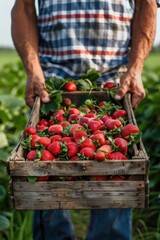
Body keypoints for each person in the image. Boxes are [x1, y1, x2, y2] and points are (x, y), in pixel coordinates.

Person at [11, 1, 158, 240]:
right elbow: (24, 6)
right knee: (47, 195)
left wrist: (136, 68)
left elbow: (147, 4)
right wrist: (32, 70)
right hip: (52, 87)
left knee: (115, 184)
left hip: (114, 86)